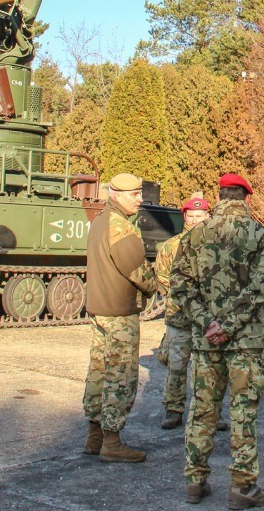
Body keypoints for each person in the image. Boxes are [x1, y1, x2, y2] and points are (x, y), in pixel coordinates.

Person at [171, 173, 264, 509]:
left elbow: (180, 285)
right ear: (246, 198)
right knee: (243, 413)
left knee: (202, 411)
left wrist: (208, 324)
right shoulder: (260, 235)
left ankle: (195, 481)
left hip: (206, 342)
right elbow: (260, 287)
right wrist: (229, 325)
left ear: (219, 197)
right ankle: (243, 487)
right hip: (245, 342)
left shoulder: (196, 235)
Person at [82, 172, 158, 463]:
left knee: (98, 371)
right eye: (134, 194)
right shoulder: (121, 228)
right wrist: (155, 286)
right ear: (116, 195)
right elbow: (137, 270)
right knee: (121, 375)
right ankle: (111, 442)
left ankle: (95, 436)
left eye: (139, 193)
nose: (140, 199)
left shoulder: (100, 221)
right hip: (120, 312)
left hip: (100, 309)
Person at [155, 195, 228, 432]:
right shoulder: (171, 246)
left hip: (207, 318)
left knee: (207, 368)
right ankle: (174, 409)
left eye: (200, 216)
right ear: (185, 216)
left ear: (208, 216)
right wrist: (185, 296)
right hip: (179, 316)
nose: (195, 220)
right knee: (176, 366)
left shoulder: (217, 246)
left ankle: (209, 412)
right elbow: (162, 276)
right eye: (191, 216)